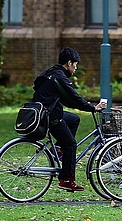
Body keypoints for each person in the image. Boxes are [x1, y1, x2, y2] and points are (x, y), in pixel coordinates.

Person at [32, 47, 108, 192]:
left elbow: (66, 99)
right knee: (71, 145)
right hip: (49, 116)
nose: (76, 68)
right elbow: (74, 96)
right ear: (68, 63)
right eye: (75, 64)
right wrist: (92, 108)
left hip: (43, 112)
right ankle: (66, 180)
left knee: (73, 119)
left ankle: (59, 150)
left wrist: (85, 106)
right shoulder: (59, 77)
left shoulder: (51, 73)